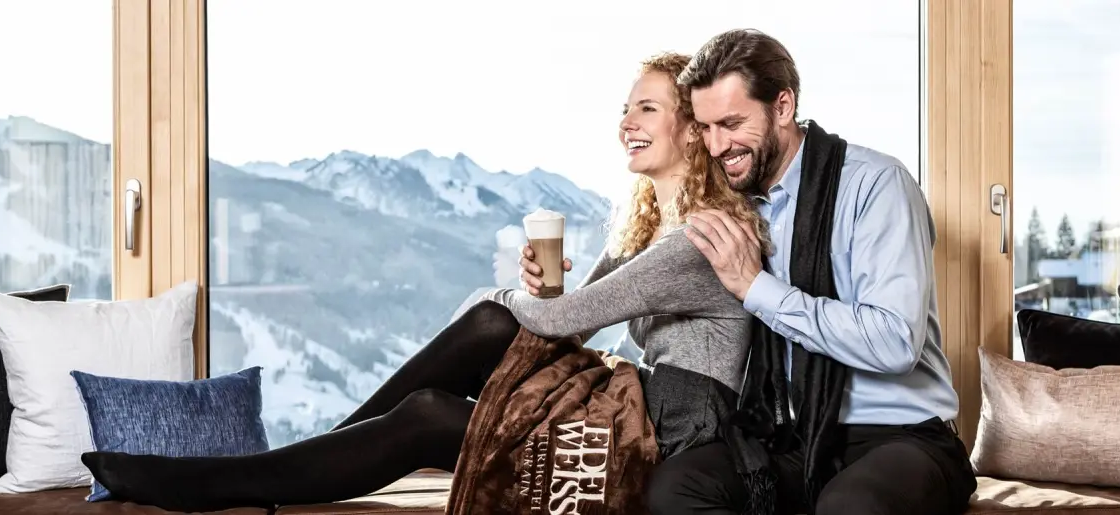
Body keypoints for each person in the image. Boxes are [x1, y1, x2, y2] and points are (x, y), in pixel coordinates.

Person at [78, 52, 769, 513]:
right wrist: (537, 293)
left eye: (646, 108)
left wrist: (504, 299)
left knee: (448, 388)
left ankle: (229, 480)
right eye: (625, 107)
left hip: (666, 433)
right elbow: (570, 318)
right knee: (476, 353)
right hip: (635, 407)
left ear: (690, 130)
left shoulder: (700, 236)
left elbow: (556, 324)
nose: (625, 122)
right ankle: (281, 468)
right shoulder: (646, 229)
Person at [666, 28, 979, 515]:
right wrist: (555, 285)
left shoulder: (877, 185)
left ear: (783, 107)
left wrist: (757, 289)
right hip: (792, 434)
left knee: (849, 508)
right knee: (678, 487)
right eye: (705, 128)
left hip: (902, 436)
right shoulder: (735, 204)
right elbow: (662, 288)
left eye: (730, 123)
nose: (715, 145)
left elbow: (894, 341)